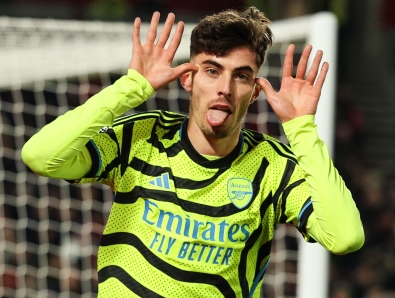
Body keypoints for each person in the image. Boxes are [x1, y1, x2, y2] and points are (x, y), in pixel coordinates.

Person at [22, 7, 364, 297]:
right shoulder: (142, 136)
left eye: (241, 76)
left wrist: (301, 128)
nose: (224, 89)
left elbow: (345, 237)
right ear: (188, 79)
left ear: (255, 92)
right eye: (212, 71)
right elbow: (41, 156)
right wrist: (131, 88)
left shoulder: (273, 167)